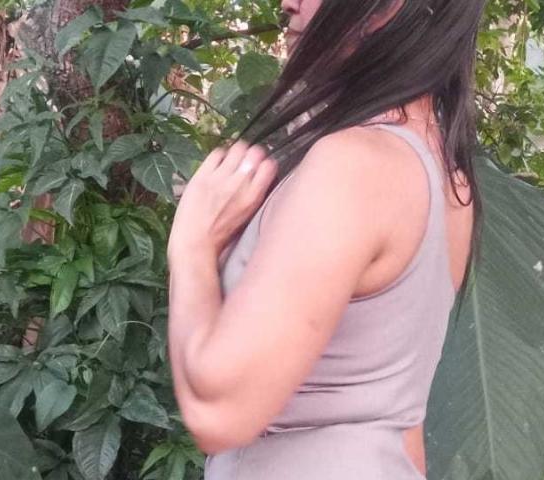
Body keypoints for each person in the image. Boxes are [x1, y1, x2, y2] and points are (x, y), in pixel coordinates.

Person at [166, 0, 485, 478]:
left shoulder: (356, 164)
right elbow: (403, 421)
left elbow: (220, 413)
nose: (288, 3)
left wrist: (191, 246)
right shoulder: (444, 172)